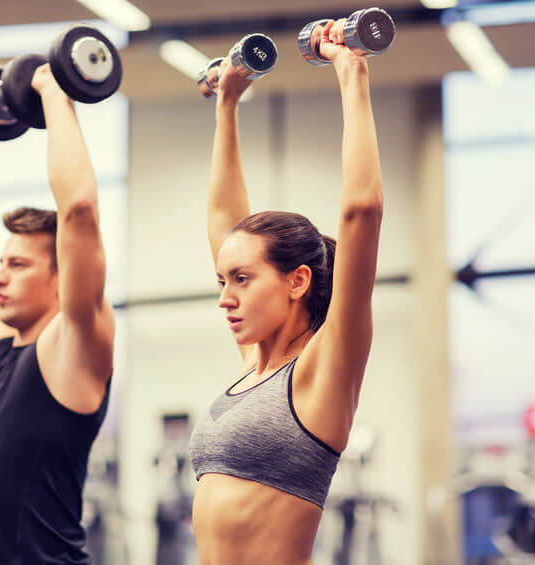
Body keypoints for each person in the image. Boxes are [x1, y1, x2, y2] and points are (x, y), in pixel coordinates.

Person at [189, 19, 384, 564]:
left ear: (298, 281)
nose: (225, 297)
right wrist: (227, 104)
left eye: (243, 280)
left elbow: (362, 211)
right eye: (222, 281)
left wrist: (351, 70)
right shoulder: (255, 364)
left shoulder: (325, 367)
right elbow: (224, 223)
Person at [0, 64, 115, 564]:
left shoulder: (72, 348)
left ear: (62, 278)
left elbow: (79, 210)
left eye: (17, 265)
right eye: (2, 263)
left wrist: (55, 93)